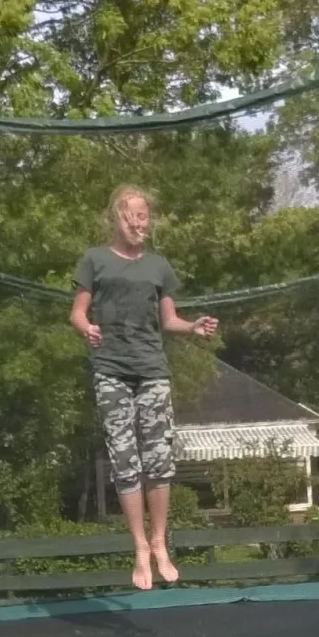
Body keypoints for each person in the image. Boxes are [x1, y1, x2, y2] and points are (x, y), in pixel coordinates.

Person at [70, 185, 217, 590]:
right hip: (111, 369)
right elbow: (77, 313)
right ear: (115, 218)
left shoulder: (158, 266)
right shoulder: (94, 260)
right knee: (125, 461)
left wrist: (192, 327)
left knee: (159, 460)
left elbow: (168, 320)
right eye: (131, 216)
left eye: (144, 217)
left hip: (152, 368)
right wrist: (87, 329)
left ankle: (159, 542)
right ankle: (138, 547)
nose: (139, 223)